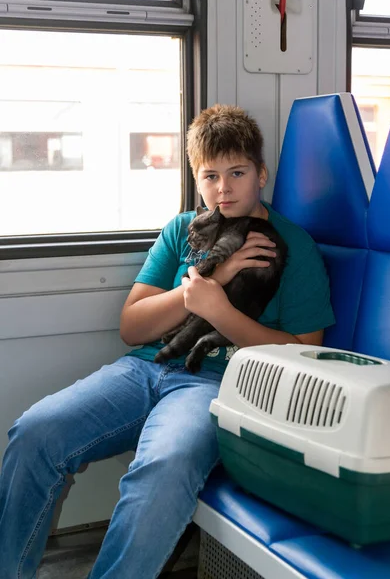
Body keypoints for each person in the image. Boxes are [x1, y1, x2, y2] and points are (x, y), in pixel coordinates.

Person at [0, 104, 335, 579]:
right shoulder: (183, 230)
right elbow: (133, 327)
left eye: (237, 172)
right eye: (210, 176)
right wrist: (205, 283)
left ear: (261, 173)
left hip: (216, 385)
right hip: (142, 369)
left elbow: (305, 353)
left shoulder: (292, 246)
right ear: (197, 180)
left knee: (164, 466)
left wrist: (217, 309)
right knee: (33, 434)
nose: (223, 188)